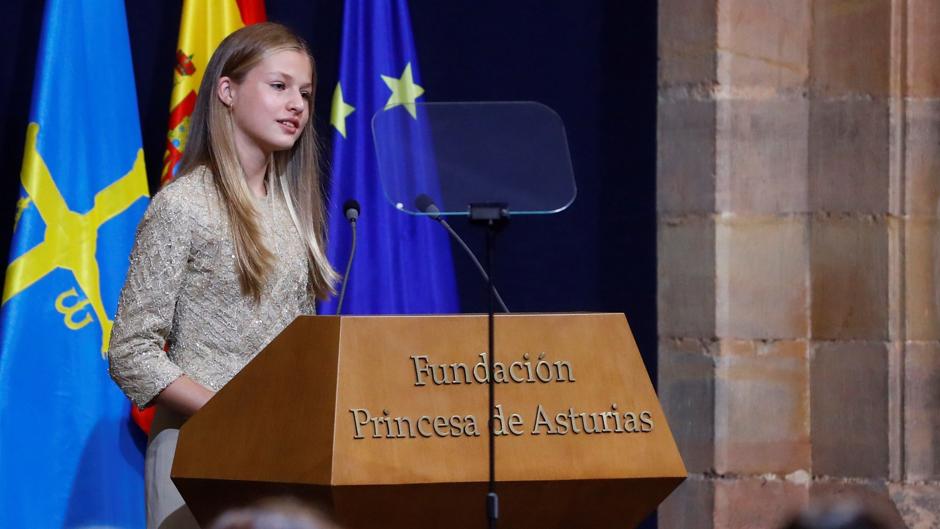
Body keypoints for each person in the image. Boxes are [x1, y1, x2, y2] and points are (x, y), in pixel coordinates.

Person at [108, 22, 337, 529]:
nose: (296, 104)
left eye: (305, 92)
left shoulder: (294, 211)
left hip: (284, 450)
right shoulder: (183, 206)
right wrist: (231, 410)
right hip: (199, 451)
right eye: (279, 87)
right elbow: (131, 351)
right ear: (227, 91)